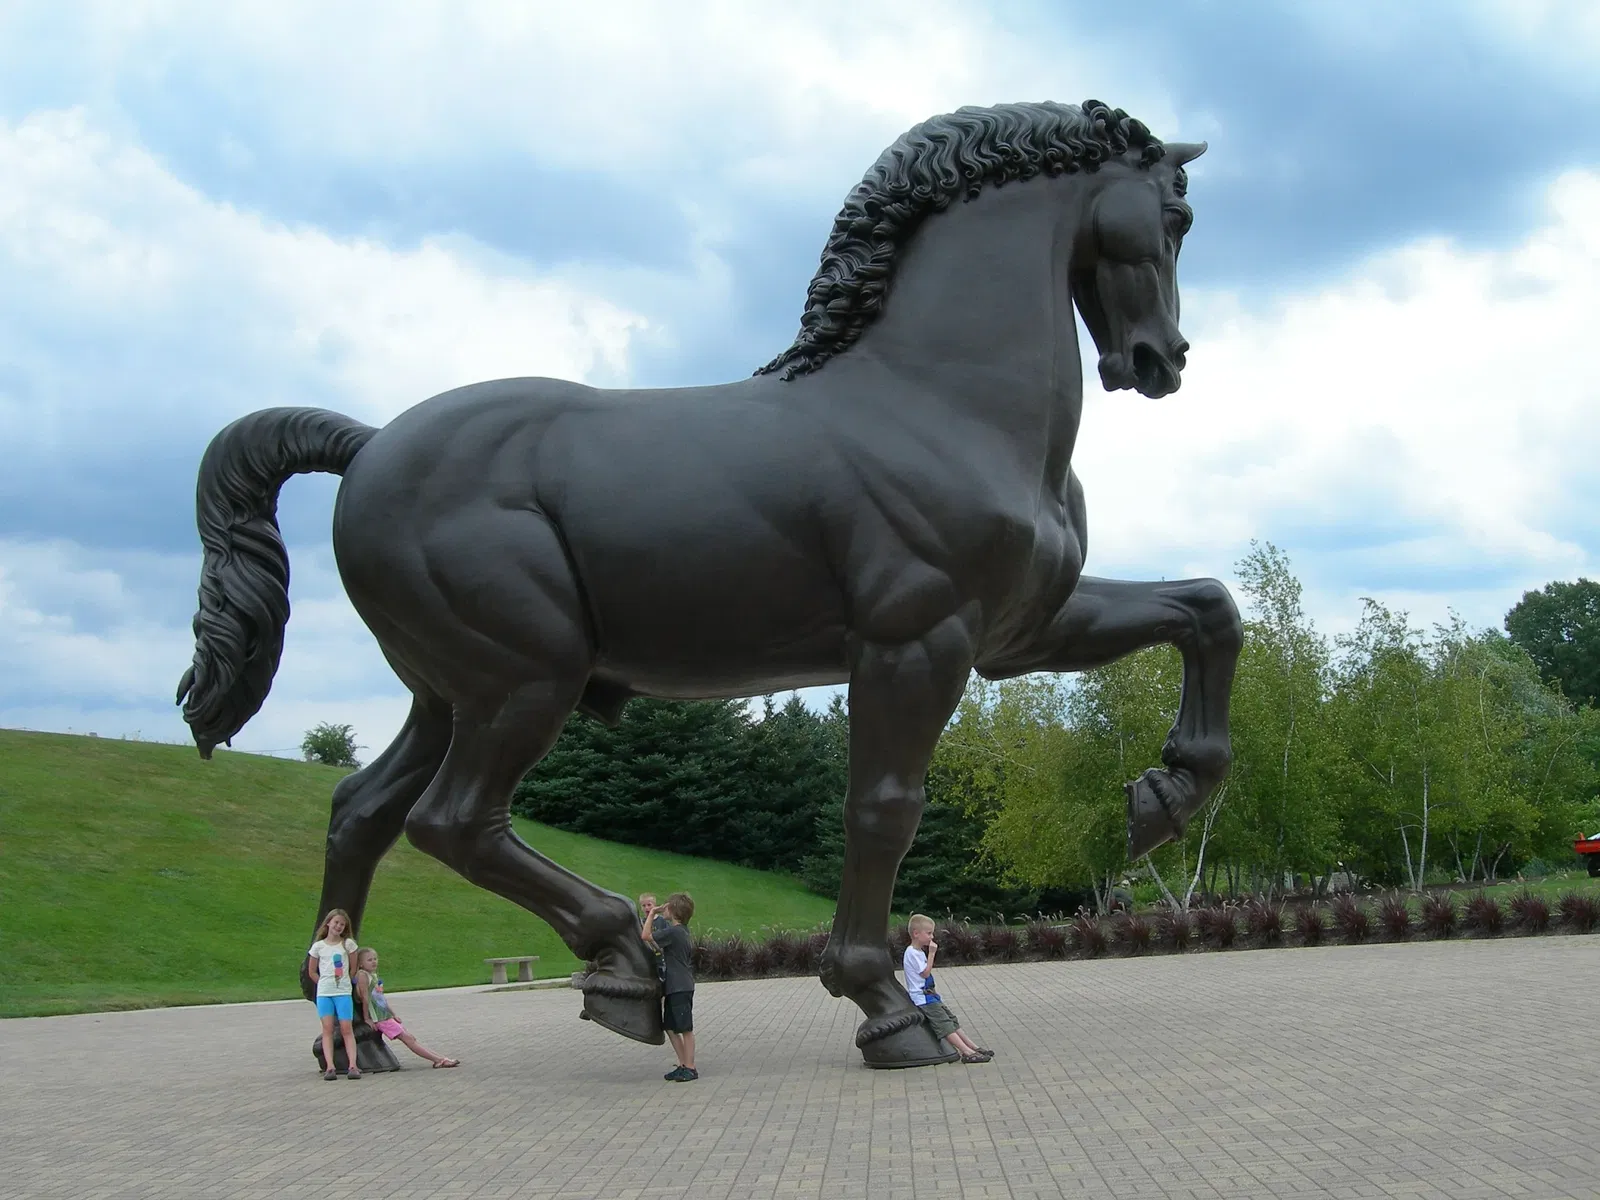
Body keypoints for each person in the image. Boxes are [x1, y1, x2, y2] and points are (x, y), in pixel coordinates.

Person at [902, 914, 993, 1064]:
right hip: (922, 998)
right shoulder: (912, 953)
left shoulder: (917, 952)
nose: (932, 936)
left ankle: (973, 1046)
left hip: (930, 995)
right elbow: (925, 973)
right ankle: (967, 1052)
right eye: (929, 933)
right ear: (916, 934)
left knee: (951, 1020)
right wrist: (932, 954)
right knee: (944, 1024)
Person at [353, 948, 460, 1068]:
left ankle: (440, 1059)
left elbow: (381, 998)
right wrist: (367, 1018)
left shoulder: (373, 976)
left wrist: (393, 1014)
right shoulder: (363, 975)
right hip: (379, 1019)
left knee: (411, 1038)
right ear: (361, 963)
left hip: (385, 1016)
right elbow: (365, 998)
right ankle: (439, 1060)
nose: (373, 962)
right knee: (408, 1039)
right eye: (369, 960)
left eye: (375, 959)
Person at [641, 892, 697, 1081]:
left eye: (667, 906)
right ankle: (682, 1064)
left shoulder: (675, 931)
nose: (663, 907)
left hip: (680, 986)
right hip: (675, 986)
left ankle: (690, 1067)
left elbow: (645, 935)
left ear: (673, 911)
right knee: (671, 1027)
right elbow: (657, 946)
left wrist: (651, 914)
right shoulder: (679, 932)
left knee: (685, 1028)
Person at [307, 908, 362, 1080]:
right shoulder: (319, 947)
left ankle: (353, 1065)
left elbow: (353, 967)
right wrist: (323, 983)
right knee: (328, 1028)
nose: (338, 926)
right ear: (328, 923)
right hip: (325, 993)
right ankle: (330, 1066)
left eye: (342, 924)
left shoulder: (348, 944)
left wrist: (346, 981)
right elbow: (312, 971)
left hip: (343, 992)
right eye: (336, 922)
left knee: (346, 1028)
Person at [639, 893, 668, 986]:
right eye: (644, 905)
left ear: (654, 905)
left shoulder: (662, 921)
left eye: (649, 905)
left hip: (661, 959)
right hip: (648, 960)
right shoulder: (641, 923)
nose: (646, 908)